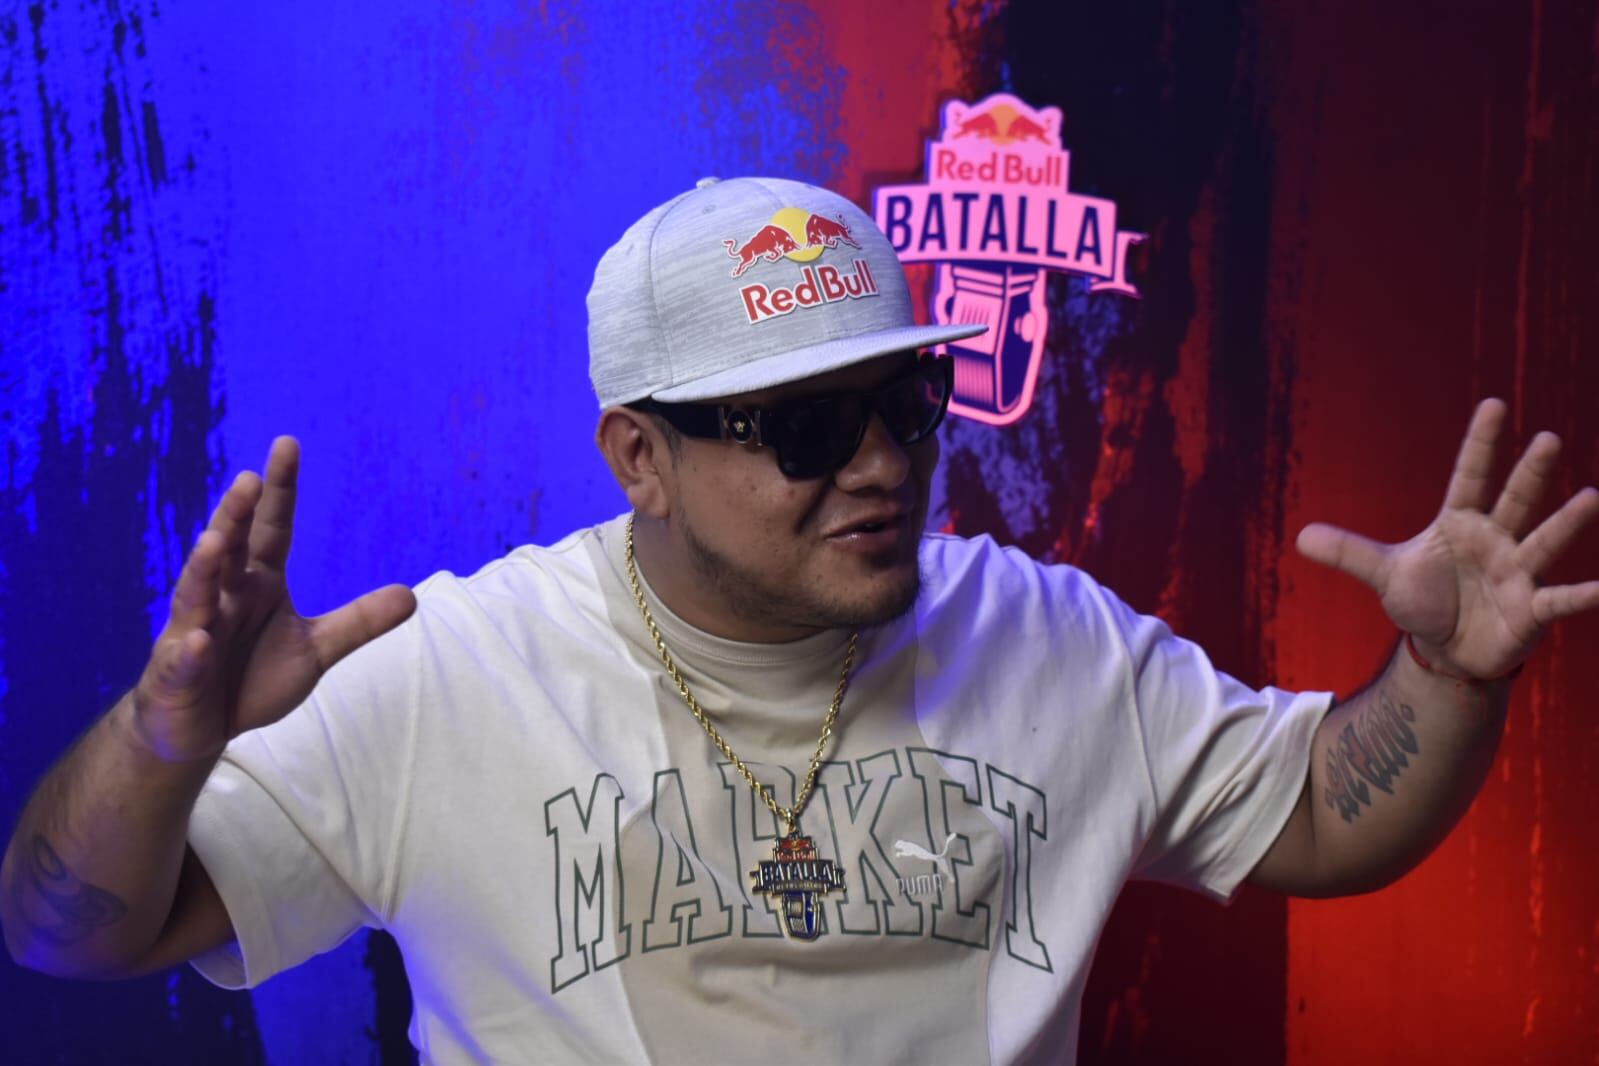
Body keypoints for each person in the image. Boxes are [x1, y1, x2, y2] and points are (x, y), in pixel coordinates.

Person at [2, 176, 1595, 1064]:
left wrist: (1445, 674)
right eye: (810, 428)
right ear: (641, 456)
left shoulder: (1047, 636)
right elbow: (68, 930)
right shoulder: (450, 672)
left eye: (906, 402)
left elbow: (1321, 812)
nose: (883, 464)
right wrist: (160, 740)